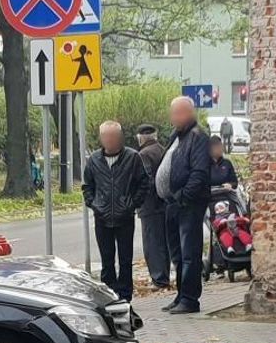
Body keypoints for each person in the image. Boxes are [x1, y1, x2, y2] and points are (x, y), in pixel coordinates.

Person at [83, 121, 149, 302]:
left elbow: (144, 183)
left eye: (113, 137)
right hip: (102, 218)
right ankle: (109, 296)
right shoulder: (94, 160)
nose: (110, 140)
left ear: (120, 138)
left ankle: (126, 297)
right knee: (107, 260)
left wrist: (132, 204)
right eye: (106, 137)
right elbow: (87, 186)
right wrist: (94, 203)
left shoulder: (132, 158)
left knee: (125, 260)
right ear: (101, 138)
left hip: (125, 217)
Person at [156, 97, 211, 314]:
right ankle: (180, 295)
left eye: (180, 113)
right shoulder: (177, 136)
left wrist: (182, 197)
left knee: (190, 253)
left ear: (190, 113)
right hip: (172, 203)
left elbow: (199, 174)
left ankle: (190, 299)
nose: (175, 118)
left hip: (188, 204)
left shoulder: (198, 137)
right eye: (174, 114)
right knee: (177, 254)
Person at [136, 124, 171, 290]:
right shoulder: (163, 150)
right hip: (165, 203)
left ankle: (159, 278)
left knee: (152, 243)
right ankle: (164, 275)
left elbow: (146, 180)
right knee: (163, 242)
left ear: (141, 137)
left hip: (150, 206)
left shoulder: (143, 154)